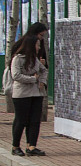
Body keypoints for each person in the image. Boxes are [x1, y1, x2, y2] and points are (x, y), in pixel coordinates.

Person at [7, 20, 49, 156]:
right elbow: (16, 75)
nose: (39, 46)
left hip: (36, 92)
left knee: (35, 120)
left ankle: (31, 146)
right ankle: (15, 146)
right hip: (22, 94)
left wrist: (42, 81)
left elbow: (44, 70)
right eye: (37, 44)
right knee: (21, 120)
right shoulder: (18, 58)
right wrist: (33, 79)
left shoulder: (35, 59)